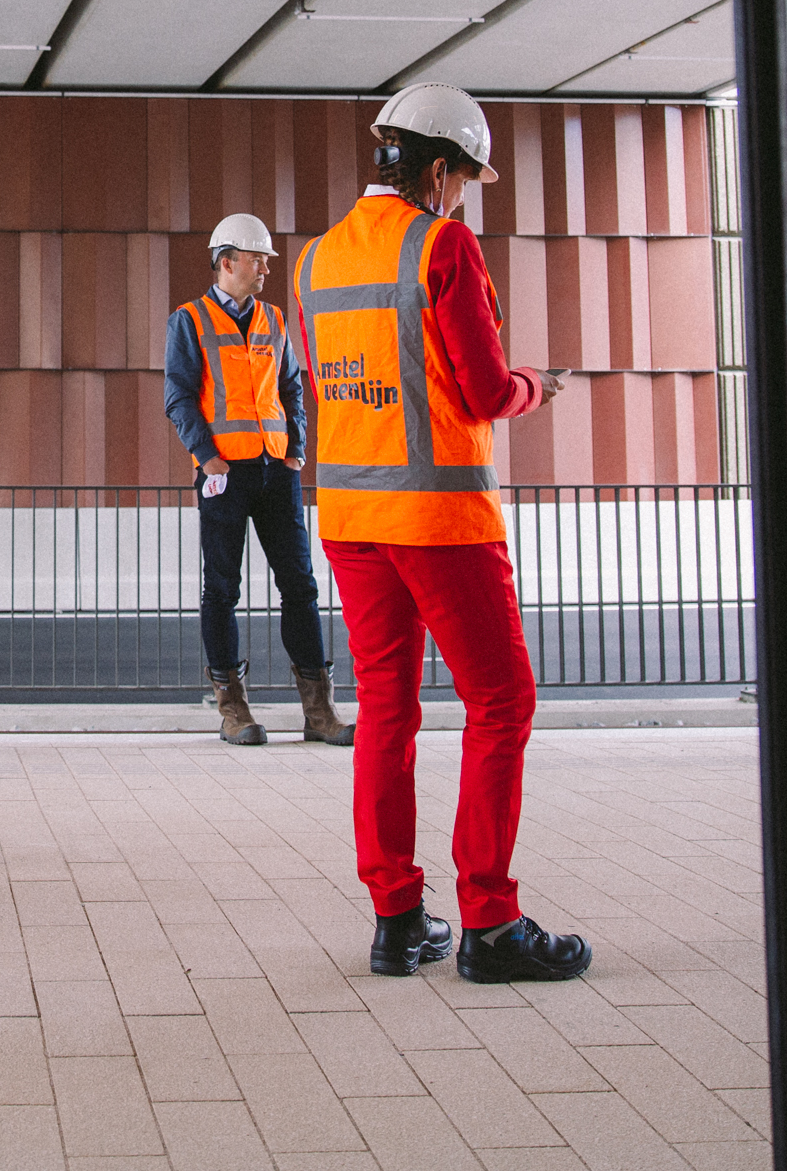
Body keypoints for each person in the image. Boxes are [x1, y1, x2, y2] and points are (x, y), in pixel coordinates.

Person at [293, 81, 588, 986]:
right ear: (435, 170)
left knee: (387, 708)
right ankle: (491, 925)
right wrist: (540, 384)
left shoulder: (315, 260)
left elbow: (327, 384)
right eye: (462, 177)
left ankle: (395, 919)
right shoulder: (442, 243)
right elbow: (485, 391)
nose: (461, 194)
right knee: (502, 703)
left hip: (348, 519)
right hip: (440, 520)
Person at [164, 212, 349, 749]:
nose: (266, 267)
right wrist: (207, 456)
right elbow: (178, 396)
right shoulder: (189, 321)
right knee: (220, 590)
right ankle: (233, 712)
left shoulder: (272, 318)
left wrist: (297, 449)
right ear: (228, 262)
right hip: (224, 472)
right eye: (257, 258)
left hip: (275, 471)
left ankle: (320, 712)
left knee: (301, 586)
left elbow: (293, 387)